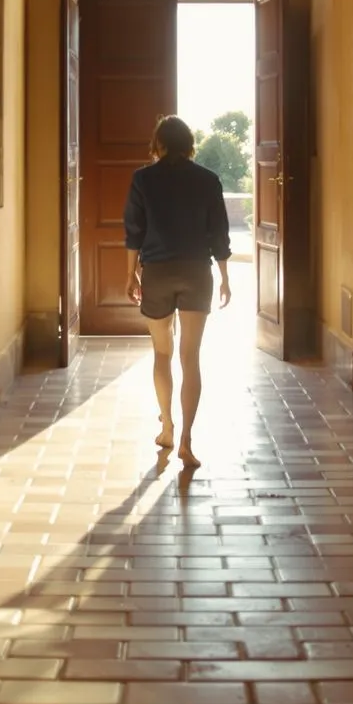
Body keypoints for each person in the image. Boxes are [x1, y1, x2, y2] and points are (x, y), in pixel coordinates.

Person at [123, 115, 233, 468]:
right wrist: (226, 276)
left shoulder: (143, 179)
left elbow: (134, 231)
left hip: (156, 271)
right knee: (191, 358)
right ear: (189, 144)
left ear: (158, 143)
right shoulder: (208, 180)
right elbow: (219, 233)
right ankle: (186, 441)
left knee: (161, 354)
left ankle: (167, 427)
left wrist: (130, 275)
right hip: (196, 272)